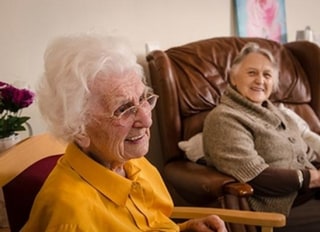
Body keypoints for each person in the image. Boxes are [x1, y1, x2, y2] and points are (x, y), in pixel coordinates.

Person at [21, 34, 227, 232]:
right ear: (79, 128)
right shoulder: (72, 218)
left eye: (143, 98)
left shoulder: (131, 162)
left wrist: (185, 228)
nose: (147, 120)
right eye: (123, 109)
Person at [203, 42, 320, 232]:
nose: (260, 80)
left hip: (307, 195)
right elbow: (254, 175)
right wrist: (313, 178)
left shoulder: (279, 114)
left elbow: (306, 154)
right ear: (233, 78)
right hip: (279, 210)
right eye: (251, 73)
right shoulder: (224, 118)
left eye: (267, 75)